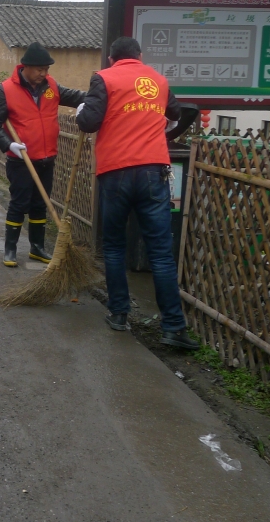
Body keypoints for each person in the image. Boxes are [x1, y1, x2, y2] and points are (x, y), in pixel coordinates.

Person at [76, 36, 198, 350]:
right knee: (160, 251)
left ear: (112, 59)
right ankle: (173, 326)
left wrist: (81, 111)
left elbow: (89, 123)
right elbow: (177, 111)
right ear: (140, 56)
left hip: (115, 172)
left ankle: (118, 314)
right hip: (152, 171)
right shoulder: (158, 80)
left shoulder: (103, 78)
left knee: (115, 246)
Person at [0, 42, 86, 267]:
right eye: (40, 69)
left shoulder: (52, 87)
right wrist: (9, 145)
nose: (44, 73)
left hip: (47, 157)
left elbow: (78, 96)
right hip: (21, 160)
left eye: (47, 69)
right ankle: (10, 249)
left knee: (41, 203)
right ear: (26, 67)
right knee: (19, 203)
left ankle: (37, 248)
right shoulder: (6, 91)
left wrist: (98, 96)